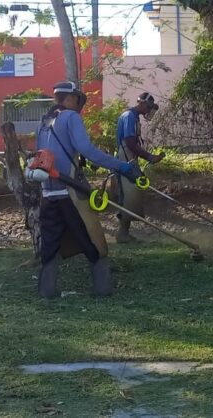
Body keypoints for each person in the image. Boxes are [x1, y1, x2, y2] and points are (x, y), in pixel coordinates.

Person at [35, 81, 140, 299]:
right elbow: (87, 150)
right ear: (71, 98)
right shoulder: (71, 117)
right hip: (70, 193)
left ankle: (47, 291)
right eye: (77, 99)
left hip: (47, 194)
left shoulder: (44, 122)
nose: (78, 103)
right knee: (95, 242)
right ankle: (102, 290)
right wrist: (121, 167)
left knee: (50, 244)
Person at [115, 92, 164, 243]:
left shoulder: (134, 117)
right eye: (148, 107)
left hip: (129, 158)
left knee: (132, 194)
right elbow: (130, 142)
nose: (148, 111)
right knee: (129, 194)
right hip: (125, 160)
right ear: (141, 103)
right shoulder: (129, 116)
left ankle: (124, 233)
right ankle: (122, 234)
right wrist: (149, 157)